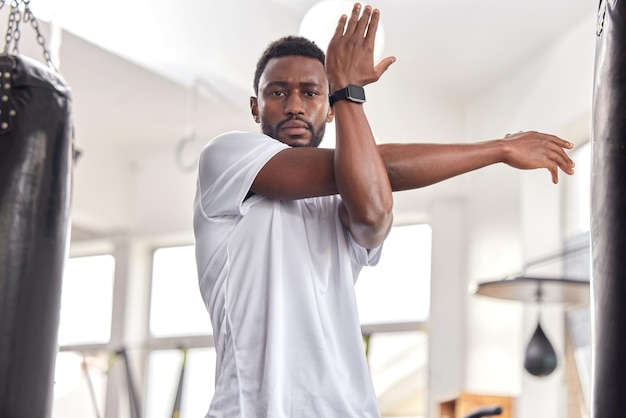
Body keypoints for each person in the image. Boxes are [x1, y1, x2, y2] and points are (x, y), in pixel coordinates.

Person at [193, 3, 575, 417]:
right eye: (278, 92)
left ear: (329, 108)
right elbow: (382, 167)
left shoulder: (346, 190)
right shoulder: (226, 159)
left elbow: (374, 206)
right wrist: (497, 149)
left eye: (312, 92)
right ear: (255, 107)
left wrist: (346, 95)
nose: (295, 106)